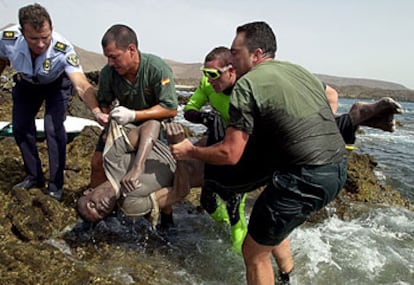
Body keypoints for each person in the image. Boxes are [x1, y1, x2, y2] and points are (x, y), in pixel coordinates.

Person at [170, 21, 350, 285]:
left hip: (304, 175)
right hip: (337, 167)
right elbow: (331, 94)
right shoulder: (297, 71)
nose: (232, 58)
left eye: (236, 52)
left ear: (256, 55)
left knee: (253, 252)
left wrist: (191, 151)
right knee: (266, 226)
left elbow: (230, 154)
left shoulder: (248, 84)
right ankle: (287, 278)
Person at [0, 3, 99, 200]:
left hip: (56, 84)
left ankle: (56, 185)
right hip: (27, 82)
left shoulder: (63, 49)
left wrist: (96, 111)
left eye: (45, 37)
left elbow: (80, 83)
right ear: (22, 32)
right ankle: (34, 175)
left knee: (53, 128)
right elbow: (1, 58)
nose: (40, 44)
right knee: (20, 126)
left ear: (51, 29)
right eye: (33, 38)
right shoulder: (7, 38)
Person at [82, 24, 178, 189]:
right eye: (107, 57)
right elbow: (104, 101)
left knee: (161, 171)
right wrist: (105, 120)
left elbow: (171, 108)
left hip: (156, 125)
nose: (110, 63)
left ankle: (165, 213)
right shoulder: (108, 73)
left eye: (114, 57)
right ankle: (98, 205)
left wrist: (134, 115)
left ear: (131, 50)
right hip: (123, 125)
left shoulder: (156, 69)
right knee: (98, 162)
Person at [77, 120, 204, 225]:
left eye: (92, 205)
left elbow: (153, 125)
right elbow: (179, 192)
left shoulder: (112, 159)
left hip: (200, 147)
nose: (100, 208)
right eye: (101, 213)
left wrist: (137, 167)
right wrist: (179, 149)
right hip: (206, 174)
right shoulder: (132, 206)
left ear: (89, 191)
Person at [184, 47, 247, 252]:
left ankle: (240, 258)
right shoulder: (208, 85)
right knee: (207, 201)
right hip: (218, 143)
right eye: (205, 73)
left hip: (246, 151)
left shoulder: (247, 90)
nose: (209, 79)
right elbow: (189, 110)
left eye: (213, 74)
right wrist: (205, 117)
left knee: (235, 206)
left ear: (231, 70)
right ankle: (225, 226)